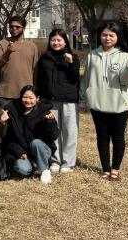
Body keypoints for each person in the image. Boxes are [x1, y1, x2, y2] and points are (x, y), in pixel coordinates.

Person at [80, 22, 128, 181]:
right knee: (102, 136)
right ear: (100, 36)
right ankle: (105, 168)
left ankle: (115, 169)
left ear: (117, 37)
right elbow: (86, 79)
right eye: (104, 35)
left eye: (111, 35)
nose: (107, 38)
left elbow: (127, 81)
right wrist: (83, 99)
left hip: (120, 104)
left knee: (118, 137)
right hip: (98, 103)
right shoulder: (92, 55)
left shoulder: (124, 56)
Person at [35, 29, 81, 173]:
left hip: (69, 100)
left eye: (59, 40)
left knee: (69, 131)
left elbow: (75, 78)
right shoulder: (44, 59)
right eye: (53, 40)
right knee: (53, 131)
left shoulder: (73, 57)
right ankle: (55, 160)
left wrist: (71, 62)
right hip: (50, 100)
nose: (56, 43)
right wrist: (39, 96)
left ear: (65, 42)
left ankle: (68, 162)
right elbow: (39, 79)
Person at [4, 85, 59, 184]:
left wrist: (50, 122)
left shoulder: (44, 111)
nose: (27, 100)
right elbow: (8, 137)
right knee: (23, 170)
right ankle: (33, 165)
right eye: (25, 97)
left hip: (41, 149)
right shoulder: (12, 111)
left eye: (31, 98)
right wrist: (18, 151)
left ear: (37, 98)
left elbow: (53, 136)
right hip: (24, 151)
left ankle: (44, 170)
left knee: (36, 142)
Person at [0, 16, 39, 106]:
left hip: (27, 94)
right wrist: (7, 52)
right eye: (11, 26)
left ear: (23, 28)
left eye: (17, 27)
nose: (14, 29)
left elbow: (36, 71)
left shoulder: (32, 46)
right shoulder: (1, 44)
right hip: (6, 93)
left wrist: (35, 91)